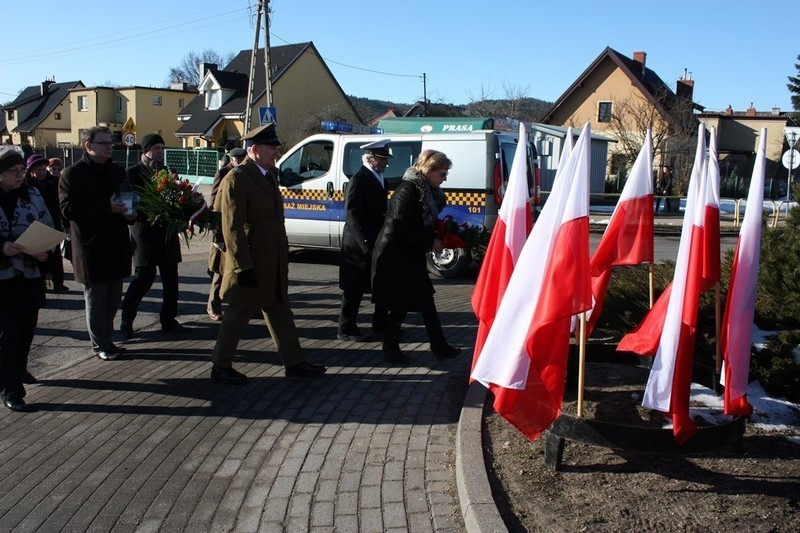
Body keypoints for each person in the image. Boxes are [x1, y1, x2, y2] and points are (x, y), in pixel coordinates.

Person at [210, 123, 327, 384]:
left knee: (279, 310)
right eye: (271, 147)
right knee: (237, 314)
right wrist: (243, 266)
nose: (277, 151)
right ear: (254, 150)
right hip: (250, 261)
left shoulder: (268, 175)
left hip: (271, 259)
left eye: (276, 146)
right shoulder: (237, 178)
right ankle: (220, 366)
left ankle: (294, 362)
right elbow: (232, 228)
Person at [371, 149, 462, 365]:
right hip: (396, 256)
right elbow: (400, 225)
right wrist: (431, 242)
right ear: (428, 170)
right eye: (442, 173)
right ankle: (392, 348)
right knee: (402, 303)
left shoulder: (427, 191)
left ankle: (439, 346)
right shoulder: (408, 189)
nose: (445, 178)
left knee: (424, 301)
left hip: (409, 255)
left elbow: (421, 223)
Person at [60, 126, 135, 361]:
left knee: (113, 300)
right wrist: (106, 207)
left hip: (117, 244)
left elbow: (127, 198)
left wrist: (131, 212)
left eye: (111, 143)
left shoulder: (117, 171)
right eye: (104, 143)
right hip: (92, 248)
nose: (109, 146)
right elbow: (67, 209)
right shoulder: (73, 174)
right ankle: (100, 345)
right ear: (89, 146)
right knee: (96, 301)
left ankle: (108, 340)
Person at [0, 146, 54, 410]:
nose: (20, 175)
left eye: (22, 170)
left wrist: (46, 251)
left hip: (29, 273)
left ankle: (17, 369)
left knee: (26, 329)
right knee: (7, 333)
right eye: (13, 171)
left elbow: (47, 224)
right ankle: (12, 391)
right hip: (2, 279)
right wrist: (2, 247)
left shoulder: (32, 194)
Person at [119, 133, 187, 339]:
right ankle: (126, 319)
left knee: (171, 279)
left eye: (161, 148)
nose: (159, 152)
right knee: (143, 279)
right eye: (155, 148)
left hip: (166, 232)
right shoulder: (131, 173)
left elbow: (177, 199)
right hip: (144, 233)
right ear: (145, 150)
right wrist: (141, 212)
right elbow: (127, 205)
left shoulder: (167, 172)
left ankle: (169, 319)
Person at [337, 140, 391, 342]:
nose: (386, 163)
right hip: (359, 244)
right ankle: (346, 328)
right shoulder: (359, 179)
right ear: (370, 159)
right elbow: (352, 214)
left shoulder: (380, 178)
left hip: (375, 241)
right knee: (354, 288)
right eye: (382, 159)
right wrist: (366, 242)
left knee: (378, 284)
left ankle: (380, 326)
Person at [206, 146, 246, 321]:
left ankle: (244, 304)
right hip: (222, 228)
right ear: (231, 159)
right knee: (220, 271)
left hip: (237, 228)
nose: (239, 162)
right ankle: (213, 306)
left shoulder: (243, 173)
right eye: (237, 160)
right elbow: (215, 202)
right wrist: (217, 235)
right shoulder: (224, 174)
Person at [25, 155, 68, 292]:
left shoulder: (54, 182)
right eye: (39, 170)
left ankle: (58, 282)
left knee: (54, 255)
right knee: (37, 254)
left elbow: (61, 203)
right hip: (33, 224)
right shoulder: (26, 185)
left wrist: (65, 223)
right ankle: (40, 282)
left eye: (44, 169)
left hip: (53, 221)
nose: (42, 172)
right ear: (31, 171)